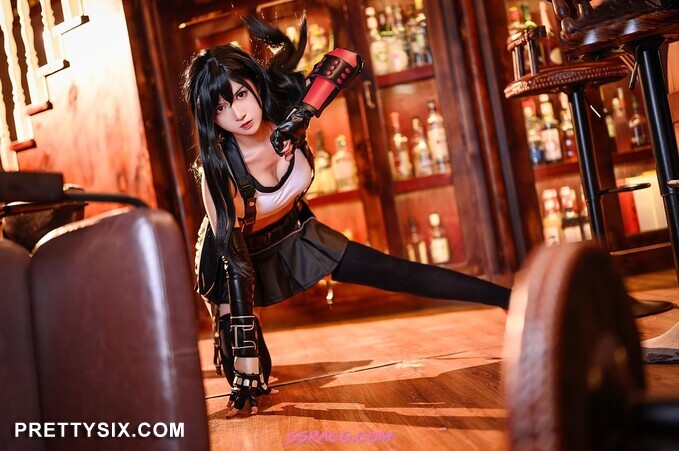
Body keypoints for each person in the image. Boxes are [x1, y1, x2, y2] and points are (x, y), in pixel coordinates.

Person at [182, 17, 511, 418]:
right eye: (220, 107)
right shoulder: (217, 170)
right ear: (210, 118)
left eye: (241, 95)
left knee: (393, 271)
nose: (238, 113)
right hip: (233, 260)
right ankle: (231, 335)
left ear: (255, 86)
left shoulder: (286, 113)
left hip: (294, 231)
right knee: (252, 379)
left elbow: (348, 58)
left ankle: (507, 298)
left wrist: (303, 115)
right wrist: (246, 357)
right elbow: (236, 263)